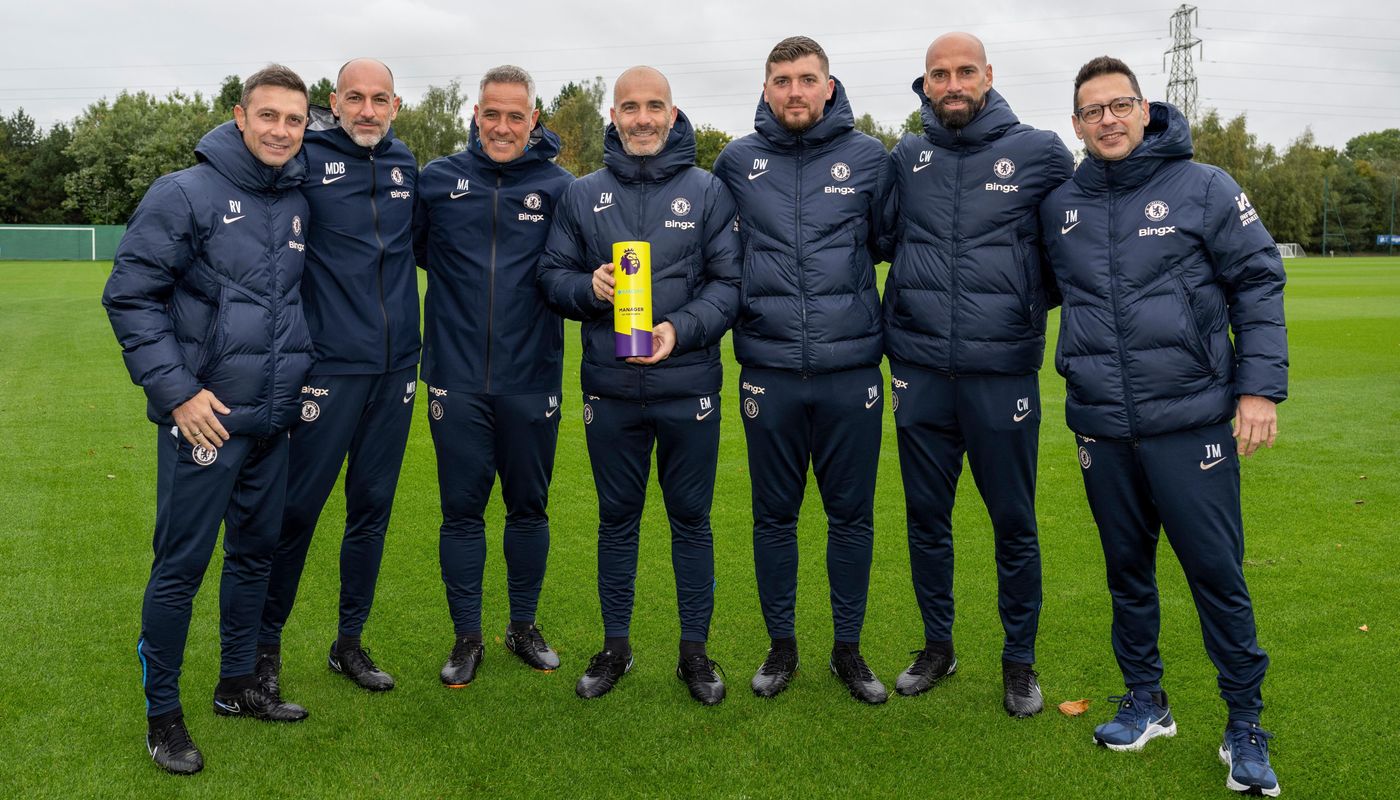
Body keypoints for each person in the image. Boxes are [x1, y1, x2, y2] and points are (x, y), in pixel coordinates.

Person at [1040, 56, 1286, 797]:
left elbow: (1258, 280)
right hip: (1101, 426)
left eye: (1120, 104)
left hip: (1191, 421)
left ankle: (1244, 722)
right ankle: (1147, 701)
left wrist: (1260, 391)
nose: (1108, 120)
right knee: (1127, 574)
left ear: (1145, 110)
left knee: (1216, 575)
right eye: (1092, 111)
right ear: (1076, 124)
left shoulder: (1204, 186)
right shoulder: (1059, 204)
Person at [102, 64, 314, 776]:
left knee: (254, 556)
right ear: (240, 115)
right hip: (206, 423)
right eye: (270, 116)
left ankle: (237, 685)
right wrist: (179, 394)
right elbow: (130, 296)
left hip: (272, 421)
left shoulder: (294, 198)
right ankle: (162, 715)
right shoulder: (184, 191)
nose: (282, 130)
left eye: (295, 119)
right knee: (181, 568)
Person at [880, 32, 1072, 716]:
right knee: (927, 520)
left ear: (988, 75)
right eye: (939, 73)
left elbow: (1065, 252)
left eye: (965, 71)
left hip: (1001, 375)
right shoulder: (908, 156)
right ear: (925, 84)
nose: (952, 82)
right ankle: (938, 646)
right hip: (920, 370)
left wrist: (1018, 306)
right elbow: (879, 237)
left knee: (1013, 522)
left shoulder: (1041, 151)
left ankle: (1019, 662)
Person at [538, 65, 740, 705]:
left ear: (674, 114)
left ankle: (695, 654)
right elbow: (551, 275)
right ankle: (615, 649)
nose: (644, 118)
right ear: (615, 117)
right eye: (631, 107)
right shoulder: (581, 192)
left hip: (689, 386)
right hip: (611, 388)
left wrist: (679, 330)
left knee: (691, 520)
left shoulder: (708, 191)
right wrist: (585, 289)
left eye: (655, 106)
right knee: (617, 520)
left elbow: (728, 285)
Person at [712, 36, 892, 704]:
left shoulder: (869, 157)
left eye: (806, 79)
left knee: (851, 517)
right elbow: (715, 253)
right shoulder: (736, 161)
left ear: (828, 84)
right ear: (766, 89)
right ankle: (781, 648)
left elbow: (888, 240)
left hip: (851, 372)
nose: (795, 91)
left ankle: (849, 650)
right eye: (782, 80)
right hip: (769, 368)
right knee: (774, 516)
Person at [254, 58, 420, 699]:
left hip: (397, 368)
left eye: (380, 99)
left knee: (371, 510)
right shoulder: (304, 158)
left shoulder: (407, 164)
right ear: (335, 101)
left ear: (396, 105)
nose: (368, 110)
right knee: (295, 513)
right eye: (356, 98)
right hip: (327, 369)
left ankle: (348, 642)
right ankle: (264, 647)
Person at [413, 65, 574, 687]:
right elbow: (421, 254)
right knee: (461, 511)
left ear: (533, 120)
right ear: (475, 115)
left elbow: (573, 274)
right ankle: (467, 636)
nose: (502, 126)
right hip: (455, 375)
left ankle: (524, 626)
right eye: (491, 113)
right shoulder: (438, 181)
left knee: (528, 507)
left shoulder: (562, 187)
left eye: (516, 115)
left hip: (532, 376)